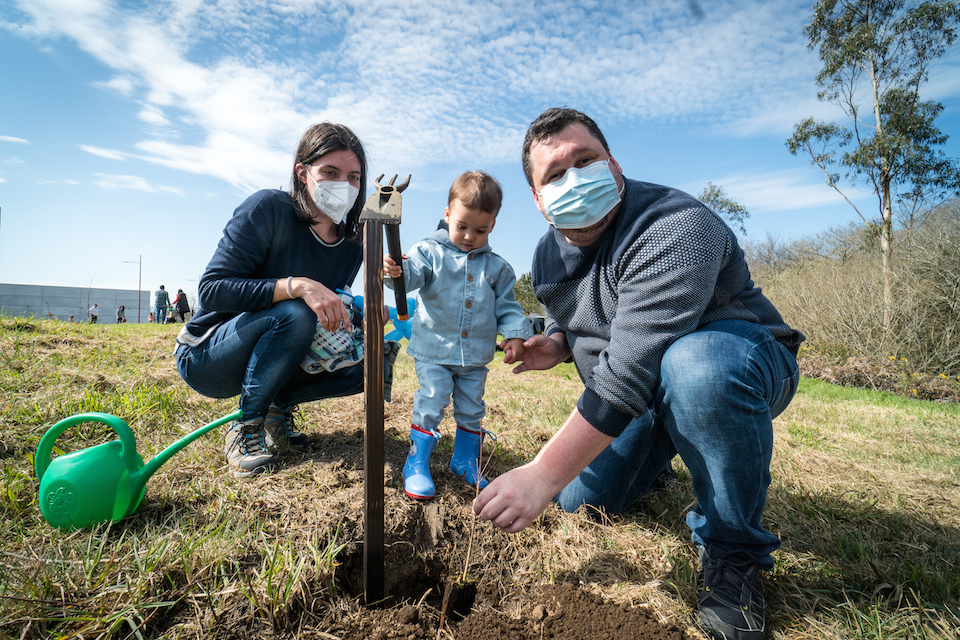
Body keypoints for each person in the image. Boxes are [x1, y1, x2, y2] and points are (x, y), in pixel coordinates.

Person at [472, 108, 804, 640]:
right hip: (647, 390)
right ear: (538, 200)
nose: (573, 179)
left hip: (737, 355)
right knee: (583, 504)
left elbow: (626, 374)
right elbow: (575, 314)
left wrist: (540, 473)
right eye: (554, 175)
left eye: (586, 160)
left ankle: (733, 556)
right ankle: (667, 446)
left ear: (614, 163)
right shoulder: (547, 255)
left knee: (694, 368)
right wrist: (555, 344)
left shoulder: (675, 226)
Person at [175, 122, 368, 477]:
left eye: (353, 177)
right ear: (302, 172)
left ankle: (276, 408)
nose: (344, 185)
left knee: (369, 362)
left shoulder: (351, 247)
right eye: (330, 172)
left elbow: (330, 307)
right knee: (294, 313)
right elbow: (213, 289)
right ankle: (246, 427)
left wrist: (358, 319)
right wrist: (296, 285)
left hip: (281, 348)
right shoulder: (269, 209)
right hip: (209, 353)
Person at [383, 171, 531, 500]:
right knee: (432, 399)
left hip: (475, 357)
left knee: (471, 408)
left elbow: (507, 306)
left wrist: (515, 335)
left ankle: (465, 461)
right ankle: (416, 462)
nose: (468, 236)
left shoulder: (497, 269)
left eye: (479, 230)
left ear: (492, 225)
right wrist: (396, 272)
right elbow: (411, 276)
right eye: (461, 226)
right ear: (447, 214)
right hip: (435, 351)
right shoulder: (429, 252)